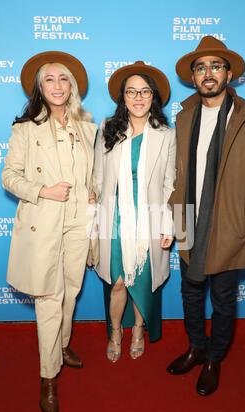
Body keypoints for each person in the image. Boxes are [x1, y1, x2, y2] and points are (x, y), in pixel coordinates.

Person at [167, 37, 245, 395]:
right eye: (201, 67)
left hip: (228, 223)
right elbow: (177, 173)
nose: (208, 73)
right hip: (187, 217)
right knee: (190, 292)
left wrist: (244, 220)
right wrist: (173, 212)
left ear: (228, 73)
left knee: (224, 298)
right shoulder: (183, 117)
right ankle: (197, 347)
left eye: (216, 66)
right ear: (194, 76)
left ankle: (215, 357)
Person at [2, 51, 97, 412]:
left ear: (72, 86)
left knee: (71, 289)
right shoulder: (25, 129)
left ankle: (60, 345)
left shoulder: (87, 128)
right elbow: (9, 177)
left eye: (63, 79)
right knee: (49, 297)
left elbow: (95, 176)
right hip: (44, 219)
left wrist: (93, 192)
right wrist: (43, 190)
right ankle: (48, 376)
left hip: (78, 221)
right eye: (49, 80)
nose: (57, 86)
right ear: (39, 88)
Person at [92, 61, 176, 362]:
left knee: (142, 279)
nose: (138, 98)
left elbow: (171, 184)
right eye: (131, 92)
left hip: (150, 217)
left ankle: (139, 329)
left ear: (153, 97)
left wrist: (170, 225)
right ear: (123, 98)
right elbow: (98, 180)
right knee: (116, 280)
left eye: (144, 92)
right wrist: (95, 225)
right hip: (114, 217)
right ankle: (115, 331)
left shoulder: (166, 134)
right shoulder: (107, 129)